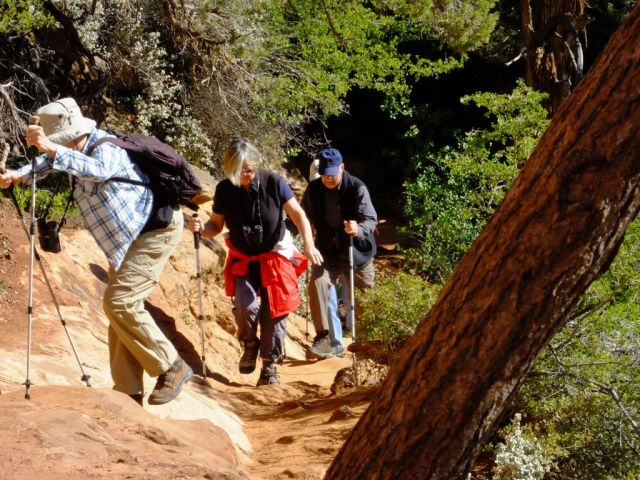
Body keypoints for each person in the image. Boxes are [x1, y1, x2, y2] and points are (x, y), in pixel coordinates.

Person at [0, 98, 192, 406]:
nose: (57, 148)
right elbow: (50, 162)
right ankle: (128, 392)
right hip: (129, 239)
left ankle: (172, 365)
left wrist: (50, 147)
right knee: (118, 307)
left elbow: (96, 170)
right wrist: (17, 176)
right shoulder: (76, 148)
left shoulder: (105, 148)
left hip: (156, 230)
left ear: (70, 135)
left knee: (120, 301)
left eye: (59, 142)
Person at [186, 138, 322, 386]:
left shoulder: (274, 182)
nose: (244, 176)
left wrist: (309, 244)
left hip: (275, 255)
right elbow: (215, 226)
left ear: (256, 164)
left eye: (248, 170)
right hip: (244, 257)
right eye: (238, 171)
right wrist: (198, 227)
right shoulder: (225, 189)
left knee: (275, 312)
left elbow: (298, 214)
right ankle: (250, 344)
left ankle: (270, 367)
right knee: (246, 305)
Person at [302, 148, 377, 359]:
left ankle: (367, 345)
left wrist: (358, 229)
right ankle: (328, 340)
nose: (329, 178)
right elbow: (302, 218)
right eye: (325, 174)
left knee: (365, 299)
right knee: (319, 284)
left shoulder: (357, 188)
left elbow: (370, 219)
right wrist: (303, 240)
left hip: (357, 252)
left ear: (342, 168)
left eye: (333, 174)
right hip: (327, 251)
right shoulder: (314, 190)